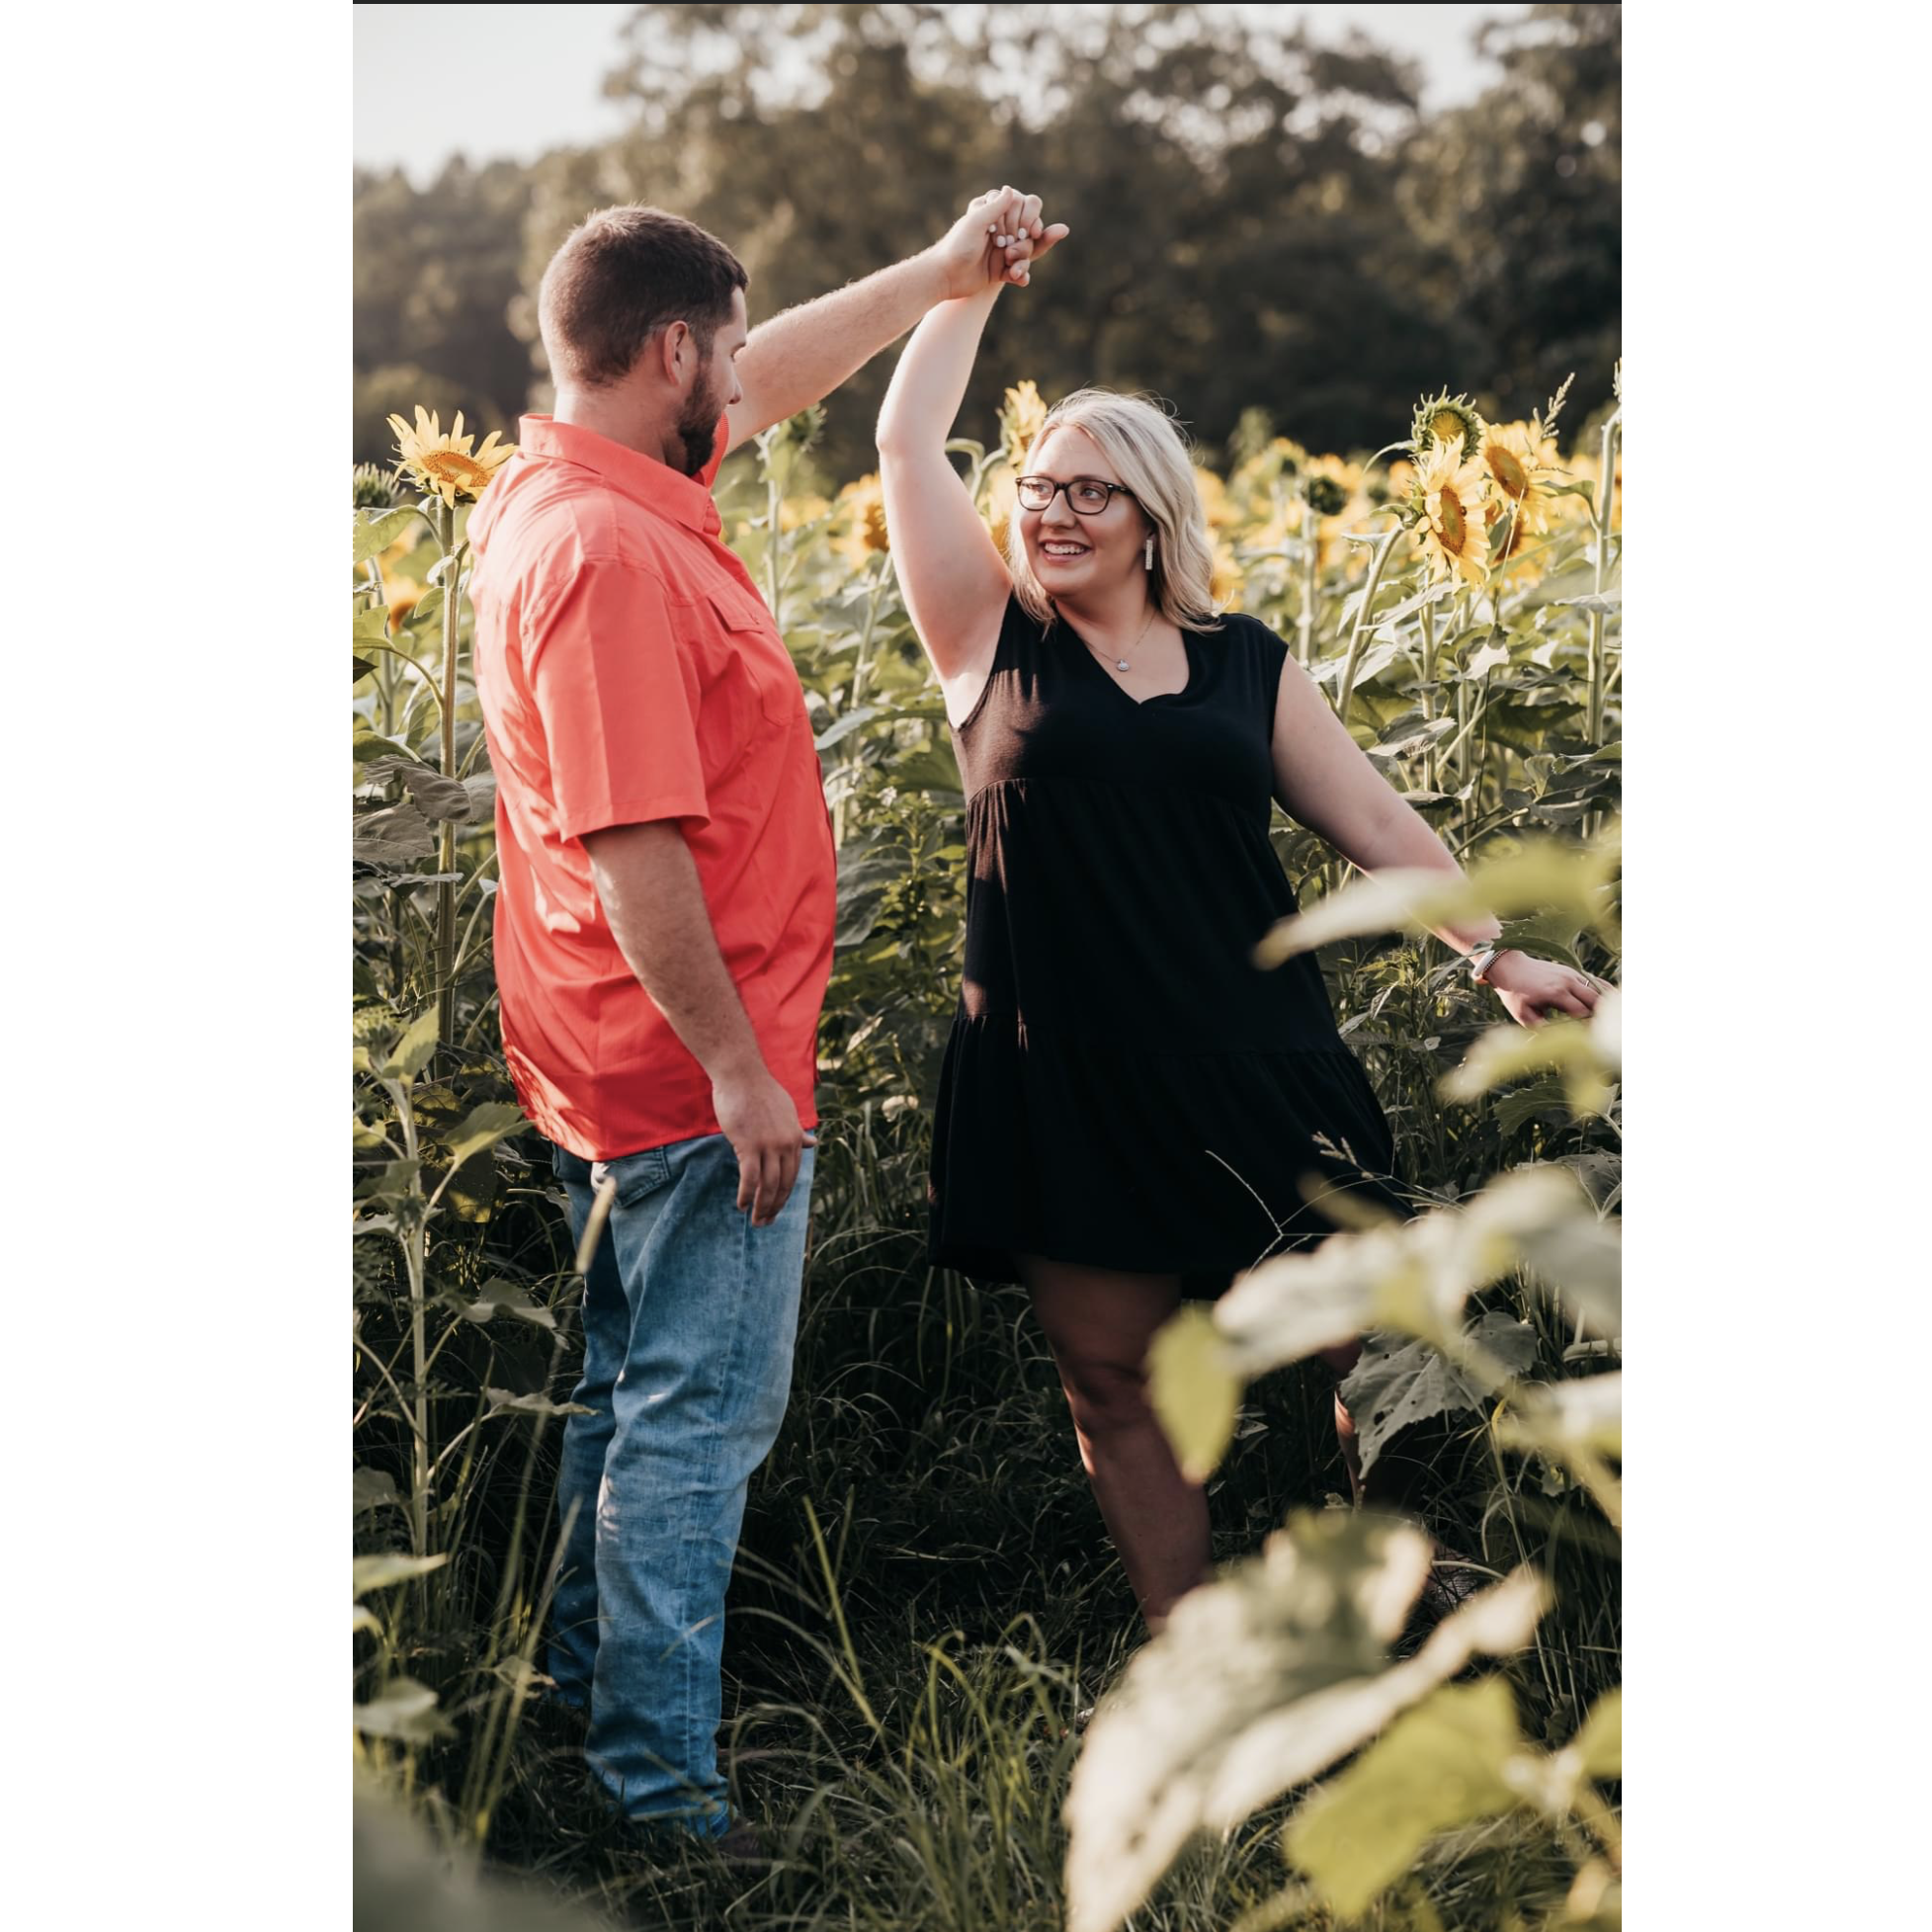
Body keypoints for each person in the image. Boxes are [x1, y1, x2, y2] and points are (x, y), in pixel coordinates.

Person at [874, 196, 1606, 1638]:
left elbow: (1373, 819)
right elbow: (903, 445)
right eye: (1036, 486)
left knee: (1362, 1342)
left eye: (1089, 489)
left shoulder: (1238, 661)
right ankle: (1189, 1642)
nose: (1052, 511)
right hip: (1062, 1073)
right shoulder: (986, 641)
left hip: (1253, 1058)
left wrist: (1490, 951)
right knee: (1113, 1379)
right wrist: (970, 281)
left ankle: (1384, 1601)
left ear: (1153, 513)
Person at [465, 190, 1058, 1853]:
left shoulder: (594, 480)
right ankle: (660, 1798)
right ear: (669, 353)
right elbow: (635, 838)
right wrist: (738, 1070)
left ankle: (581, 1707)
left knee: (628, 1398)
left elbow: (775, 375)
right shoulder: (598, 552)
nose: (743, 374)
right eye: (722, 347)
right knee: (694, 1425)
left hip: (625, 1051)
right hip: (679, 1069)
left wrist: (946, 276)